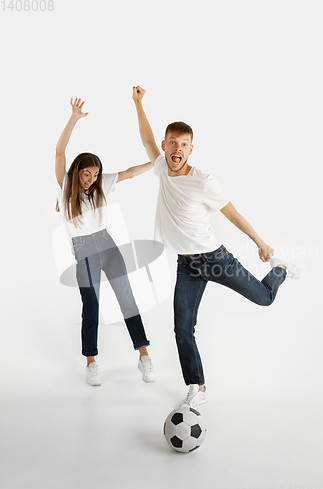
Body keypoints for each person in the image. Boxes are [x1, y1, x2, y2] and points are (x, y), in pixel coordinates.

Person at [132, 85, 301, 408]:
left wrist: (261, 244)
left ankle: (279, 269)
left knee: (264, 299)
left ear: (191, 149)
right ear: (166, 146)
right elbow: (146, 139)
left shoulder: (204, 181)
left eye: (183, 144)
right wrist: (138, 103)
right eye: (172, 143)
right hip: (187, 266)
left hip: (216, 258)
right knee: (182, 329)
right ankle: (198, 386)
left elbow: (232, 213)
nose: (176, 149)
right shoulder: (160, 168)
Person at [55, 97, 156, 386]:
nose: (91, 179)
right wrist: (74, 117)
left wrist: (155, 162)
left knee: (127, 299)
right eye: (87, 173)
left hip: (108, 247)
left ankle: (144, 356)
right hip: (83, 251)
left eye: (95, 174)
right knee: (92, 305)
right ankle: (91, 361)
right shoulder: (65, 186)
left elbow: (129, 173)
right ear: (77, 172)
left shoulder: (102, 186)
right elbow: (60, 150)